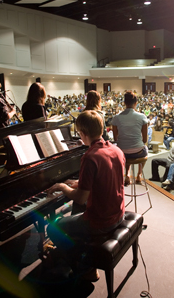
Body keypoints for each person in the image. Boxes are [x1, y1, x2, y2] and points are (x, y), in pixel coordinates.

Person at [45, 110, 125, 282]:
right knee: (75, 214)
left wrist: (64, 187)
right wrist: (79, 183)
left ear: (82, 133)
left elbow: (81, 198)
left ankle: (85, 266)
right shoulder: (116, 150)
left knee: (52, 228)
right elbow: (105, 181)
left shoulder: (90, 157)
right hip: (119, 213)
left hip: (101, 221)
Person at [111, 91, 148, 185]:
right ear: (136, 103)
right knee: (144, 148)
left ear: (124, 103)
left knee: (126, 150)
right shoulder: (142, 117)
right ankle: (139, 174)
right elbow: (145, 140)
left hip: (122, 152)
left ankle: (126, 174)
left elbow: (116, 138)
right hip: (138, 152)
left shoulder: (116, 117)